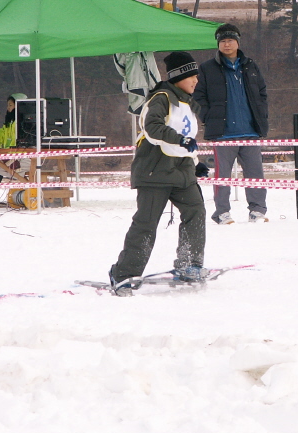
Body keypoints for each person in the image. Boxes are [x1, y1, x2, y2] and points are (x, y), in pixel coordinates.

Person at [109, 52, 209, 297]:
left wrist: (195, 162)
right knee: (146, 223)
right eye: (192, 76)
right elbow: (152, 128)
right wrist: (181, 141)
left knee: (196, 212)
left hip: (181, 173)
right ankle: (123, 273)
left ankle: (189, 263)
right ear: (179, 77)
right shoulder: (161, 98)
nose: (196, 80)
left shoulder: (186, 103)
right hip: (155, 172)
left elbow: (187, 140)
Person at [193, 23, 269, 224]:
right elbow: (198, 96)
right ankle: (222, 212)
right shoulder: (208, 68)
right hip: (222, 132)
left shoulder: (250, 65)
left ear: (238, 42)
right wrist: (208, 116)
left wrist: (261, 115)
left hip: (250, 130)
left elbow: (262, 93)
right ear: (218, 44)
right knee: (222, 176)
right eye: (223, 41)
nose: (227, 44)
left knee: (255, 173)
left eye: (230, 40)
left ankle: (258, 211)